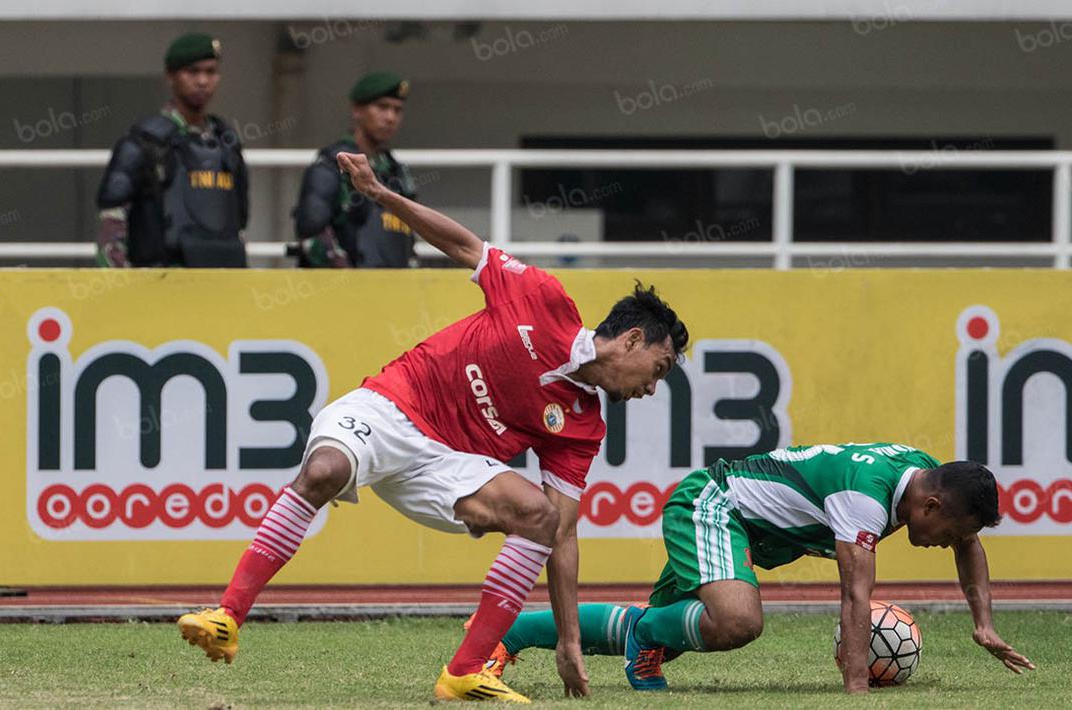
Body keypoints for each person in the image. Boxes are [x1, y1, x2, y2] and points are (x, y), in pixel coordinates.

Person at [176, 150, 689, 703]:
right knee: (324, 469)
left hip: (447, 465)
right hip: (395, 404)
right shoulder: (542, 298)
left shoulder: (584, 425)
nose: (650, 389)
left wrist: (568, 640)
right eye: (657, 371)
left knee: (539, 516)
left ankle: (465, 671)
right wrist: (380, 194)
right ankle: (228, 616)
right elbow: (464, 245)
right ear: (633, 340)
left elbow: (562, 533)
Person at [479, 442, 1035, 695]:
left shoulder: (923, 473)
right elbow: (855, 599)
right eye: (950, 534)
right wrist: (858, 684)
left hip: (745, 528)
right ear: (931, 507)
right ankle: (647, 634)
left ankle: (513, 634)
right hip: (715, 504)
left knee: (676, 626)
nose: (949, 546)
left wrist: (983, 623)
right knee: (738, 621)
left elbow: (970, 545)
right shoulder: (865, 498)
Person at [95, 32, 248, 268]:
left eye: (210, 72)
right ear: (170, 76)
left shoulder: (225, 142)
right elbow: (112, 227)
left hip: (219, 284)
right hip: (159, 285)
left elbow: (237, 222)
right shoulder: (145, 143)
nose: (203, 81)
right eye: (192, 72)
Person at [291, 71, 418, 268]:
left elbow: (408, 241)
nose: (391, 117)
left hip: (395, 291)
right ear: (357, 110)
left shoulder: (397, 172)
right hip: (347, 292)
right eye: (382, 107)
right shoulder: (332, 164)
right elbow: (311, 233)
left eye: (397, 110)